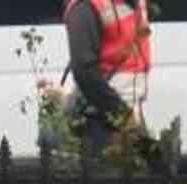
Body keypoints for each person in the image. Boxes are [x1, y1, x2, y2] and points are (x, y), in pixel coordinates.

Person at [61, 0, 153, 158]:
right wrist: (124, 117)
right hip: (102, 121)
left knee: (155, 169)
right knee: (111, 177)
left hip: (129, 114)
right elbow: (85, 72)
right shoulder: (85, 7)